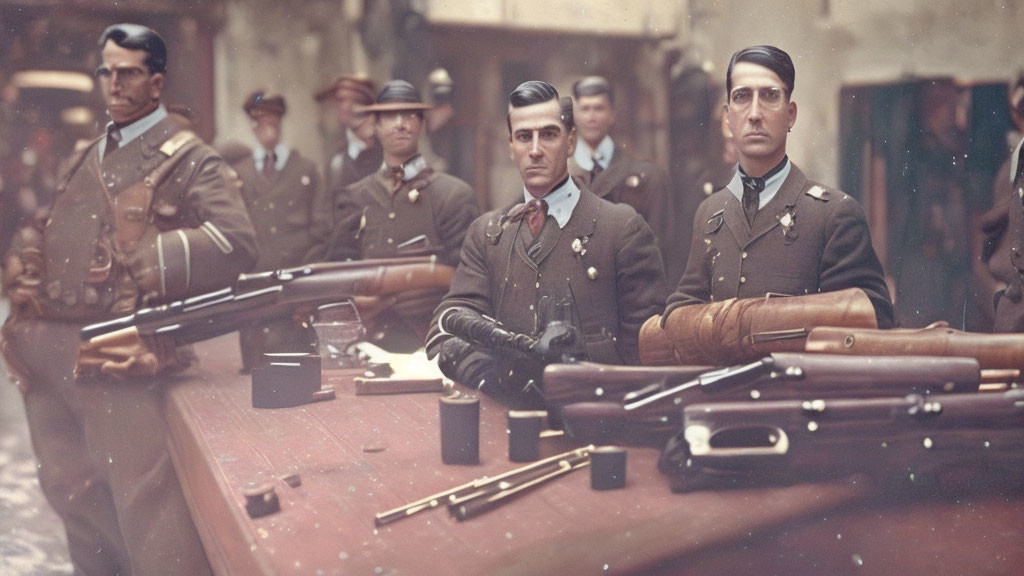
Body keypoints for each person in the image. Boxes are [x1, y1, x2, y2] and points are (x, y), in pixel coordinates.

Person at [0, 23, 258, 575]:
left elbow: (237, 241)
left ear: (156, 82)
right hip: (50, 346)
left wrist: (155, 261)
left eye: (128, 72)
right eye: (106, 71)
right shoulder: (86, 153)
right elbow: (57, 226)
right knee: (69, 487)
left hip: (118, 346)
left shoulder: (191, 159)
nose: (113, 83)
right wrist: (30, 252)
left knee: (143, 500)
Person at [426, 80, 666, 407]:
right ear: (510, 146)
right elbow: (449, 323)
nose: (535, 150)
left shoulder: (620, 228)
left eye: (549, 135)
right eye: (524, 137)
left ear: (570, 143)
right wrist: (489, 375)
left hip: (595, 417)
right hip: (510, 418)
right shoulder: (488, 233)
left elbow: (648, 350)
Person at [665, 45, 894, 328]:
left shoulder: (833, 215)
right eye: (742, 97)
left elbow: (872, 315)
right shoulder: (711, 213)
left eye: (770, 96)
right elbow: (683, 306)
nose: (754, 113)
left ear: (790, 115)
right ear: (727, 118)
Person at [326, 80, 479, 350]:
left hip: (434, 343)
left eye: (409, 115)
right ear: (375, 126)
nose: (400, 124)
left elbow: (469, 281)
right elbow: (338, 274)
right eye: (389, 116)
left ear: (421, 124)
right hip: (368, 344)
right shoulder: (354, 197)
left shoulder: (453, 195)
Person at [233, 91, 322, 372]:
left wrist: (308, 278)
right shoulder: (239, 173)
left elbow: (321, 229)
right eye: (259, 122)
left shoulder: (306, 170)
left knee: (295, 368)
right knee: (255, 371)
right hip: (254, 285)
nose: (266, 129)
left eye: (272, 121)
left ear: (281, 122)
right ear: (252, 125)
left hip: (295, 288)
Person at [569, 76, 681, 283]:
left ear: (612, 115)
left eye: (599, 108)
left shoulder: (646, 176)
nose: (591, 117)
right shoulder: (561, 175)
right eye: (585, 109)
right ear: (575, 116)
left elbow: (661, 250)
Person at [311, 75, 381, 243]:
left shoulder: (386, 154)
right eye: (339, 101)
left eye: (352, 101)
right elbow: (324, 216)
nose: (343, 107)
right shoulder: (337, 160)